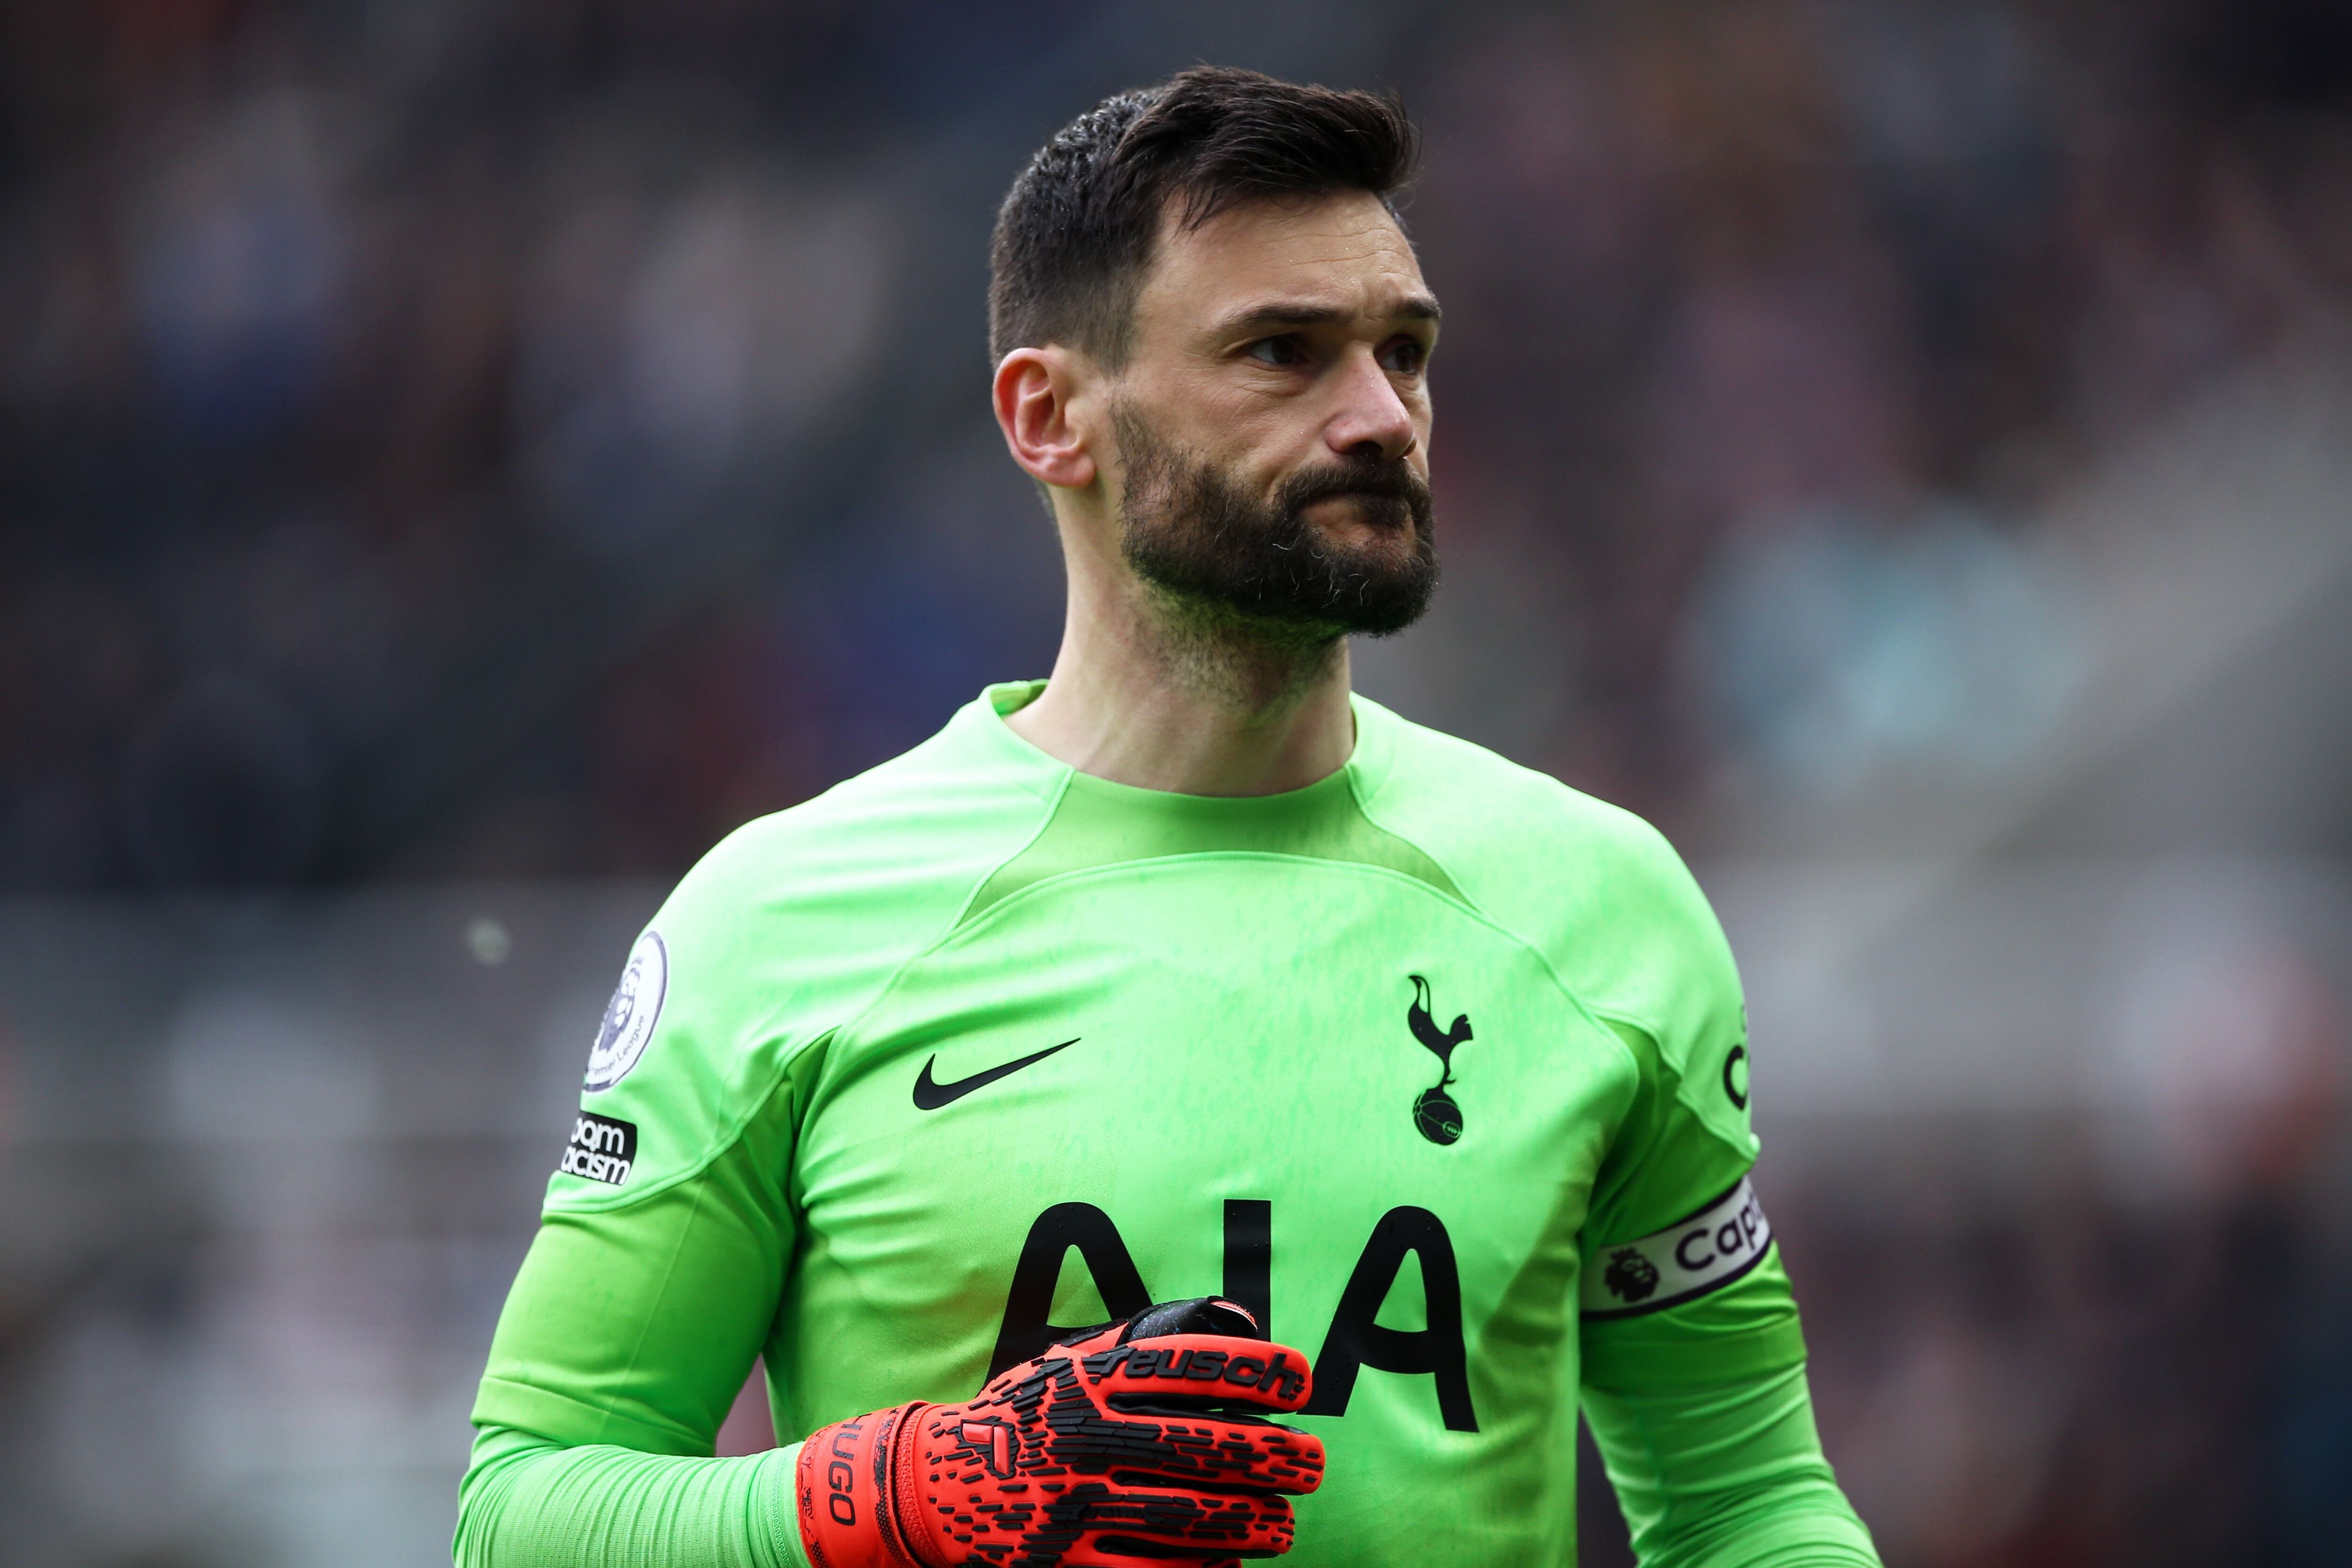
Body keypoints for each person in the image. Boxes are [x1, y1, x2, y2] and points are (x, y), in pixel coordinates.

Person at [455, 66, 1880, 1568]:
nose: (1382, 415)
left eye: (1406, 352)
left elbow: (1748, 1509)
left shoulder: (1600, 907)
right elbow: (528, 1512)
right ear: (1050, 415)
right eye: (1284, 353)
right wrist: (908, 1498)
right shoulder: (781, 922)